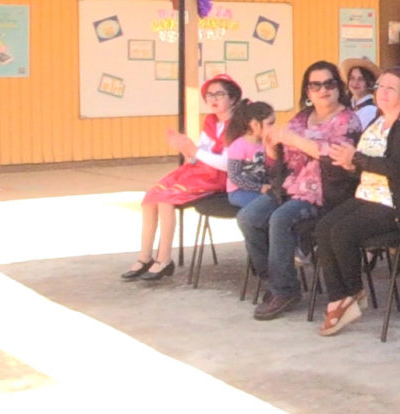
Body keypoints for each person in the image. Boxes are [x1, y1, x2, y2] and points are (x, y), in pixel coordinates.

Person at [236, 61, 362, 320]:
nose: (323, 90)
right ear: (308, 91)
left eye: (329, 84)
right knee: (248, 218)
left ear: (338, 87)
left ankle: (285, 290)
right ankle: (275, 279)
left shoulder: (348, 119)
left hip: (325, 192)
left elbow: (334, 157)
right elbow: (279, 164)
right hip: (290, 187)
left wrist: (294, 140)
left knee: (280, 219)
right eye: (316, 85)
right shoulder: (300, 118)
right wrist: (272, 149)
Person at [314, 68, 400, 336]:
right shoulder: (376, 123)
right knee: (323, 228)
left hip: (398, 204)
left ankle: (351, 295)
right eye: (380, 87)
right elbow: (364, 165)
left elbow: (396, 167)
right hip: (368, 195)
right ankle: (340, 297)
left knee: (343, 232)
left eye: (391, 89)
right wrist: (347, 162)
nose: (382, 93)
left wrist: (355, 159)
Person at [121, 74, 242, 282]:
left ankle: (164, 259)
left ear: (232, 98)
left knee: (166, 200)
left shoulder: (239, 124)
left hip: (220, 178)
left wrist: (194, 151)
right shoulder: (211, 121)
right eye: (209, 95)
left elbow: (229, 163)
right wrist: (187, 151)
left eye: (219, 94)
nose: (213, 99)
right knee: (151, 197)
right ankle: (145, 257)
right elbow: (200, 154)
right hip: (201, 171)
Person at [225, 100, 276, 208]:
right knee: (264, 206)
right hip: (239, 191)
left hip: (263, 188)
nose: (274, 127)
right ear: (255, 125)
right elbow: (234, 176)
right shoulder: (238, 146)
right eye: (270, 123)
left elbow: (272, 169)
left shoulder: (267, 143)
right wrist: (259, 188)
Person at [341, 57, 380, 129]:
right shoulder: (347, 105)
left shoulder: (371, 110)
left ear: (369, 82)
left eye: (361, 79)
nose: (355, 83)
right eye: (352, 78)